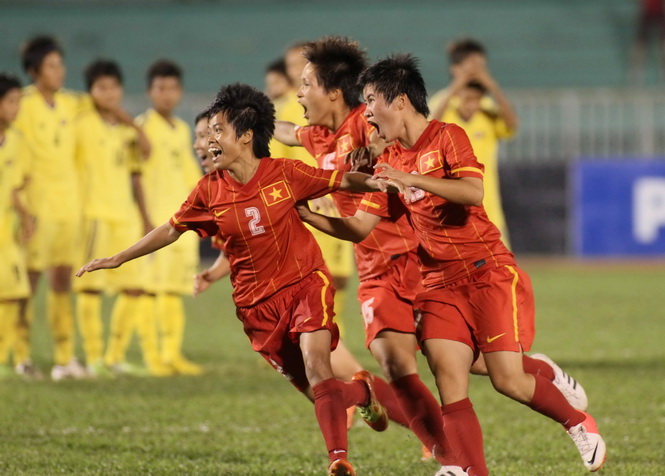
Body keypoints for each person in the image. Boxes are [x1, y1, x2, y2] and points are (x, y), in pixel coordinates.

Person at [299, 54, 606, 475]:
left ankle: (577, 422)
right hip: (437, 283)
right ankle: (467, 470)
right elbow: (359, 228)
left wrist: (411, 179)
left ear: (400, 100)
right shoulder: (389, 161)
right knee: (450, 382)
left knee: (506, 379)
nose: (366, 111)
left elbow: (472, 192)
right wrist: (306, 213)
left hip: (485, 271)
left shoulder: (448, 136)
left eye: (371, 100)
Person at [77, 83, 400, 476]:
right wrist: (118, 258)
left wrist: (379, 180)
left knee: (318, 365)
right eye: (208, 132)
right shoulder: (208, 191)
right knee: (317, 389)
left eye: (218, 131)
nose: (209, 140)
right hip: (256, 308)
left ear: (246, 136)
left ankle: (338, 460)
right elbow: (171, 229)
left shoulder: (286, 173)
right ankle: (361, 391)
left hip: (304, 284)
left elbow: (342, 180)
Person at [274, 36, 466, 474]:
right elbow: (286, 132)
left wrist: (377, 148)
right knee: (395, 364)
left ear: (333, 92)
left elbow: (393, 139)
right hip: (374, 268)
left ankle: (539, 378)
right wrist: (257, 123)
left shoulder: (365, 119)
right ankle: (448, 457)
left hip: (416, 256)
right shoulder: (317, 136)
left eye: (306, 84)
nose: (298, 93)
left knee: (468, 361)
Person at [192, 111, 411, 433]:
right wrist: (212, 274)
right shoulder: (217, 190)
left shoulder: (265, 176)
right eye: (200, 136)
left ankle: (423, 428)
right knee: (325, 377)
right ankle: (359, 410)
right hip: (268, 303)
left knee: (339, 371)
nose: (201, 144)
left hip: (298, 289)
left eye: (208, 134)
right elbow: (239, 248)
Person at [13, 35, 87, 379]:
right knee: (26, 285)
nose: (60, 71)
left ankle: (63, 358)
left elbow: (105, 101)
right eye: (52, 66)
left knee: (62, 283)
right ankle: (21, 355)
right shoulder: (21, 104)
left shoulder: (72, 103)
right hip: (35, 207)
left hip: (68, 207)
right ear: (34, 71)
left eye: (60, 64)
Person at [72, 59, 151, 377]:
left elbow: (144, 155)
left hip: (125, 216)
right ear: (90, 91)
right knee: (90, 287)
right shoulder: (80, 123)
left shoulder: (125, 130)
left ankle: (115, 357)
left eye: (114, 87)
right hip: (94, 215)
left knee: (134, 287)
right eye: (101, 87)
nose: (109, 93)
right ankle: (93, 358)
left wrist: (144, 217)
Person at [273, 43, 355, 338]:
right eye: (292, 67)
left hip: (341, 206)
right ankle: (299, 341)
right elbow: (278, 158)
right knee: (307, 281)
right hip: (309, 207)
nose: (296, 73)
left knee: (339, 279)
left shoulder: (351, 116)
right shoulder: (288, 110)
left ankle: (331, 338)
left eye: (302, 66)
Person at [135, 59, 202, 376]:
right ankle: (152, 356)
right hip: (155, 223)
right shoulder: (142, 127)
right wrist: (144, 217)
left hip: (180, 222)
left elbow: (191, 177)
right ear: (150, 92)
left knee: (175, 289)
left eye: (172, 88)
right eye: (160, 88)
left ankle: (172, 354)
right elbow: (134, 176)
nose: (167, 94)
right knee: (151, 290)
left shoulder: (182, 130)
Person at [429, 38, 518, 248]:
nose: (477, 71)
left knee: (500, 263)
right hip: (450, 205)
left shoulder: (486, 106)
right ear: (455, 69)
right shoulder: (443, 103)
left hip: (487, 204)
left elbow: (511, 125)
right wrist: (457, 86)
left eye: (481, 66)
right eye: (472, 65)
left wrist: (492, 86)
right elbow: (427, 130)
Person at [0, 73, 32, 378]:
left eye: (18, 101)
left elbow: (14, 187)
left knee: (14, 294)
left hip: (6, 233)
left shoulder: (16, 141)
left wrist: (25, 216)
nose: (16, 108)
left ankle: (5, 358)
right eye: (10, 101)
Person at [630, 0, 665, 84]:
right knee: (640, 44)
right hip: (648, 13)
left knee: (662, 45)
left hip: (660, 12)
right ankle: (636, 73)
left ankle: (663, 72)